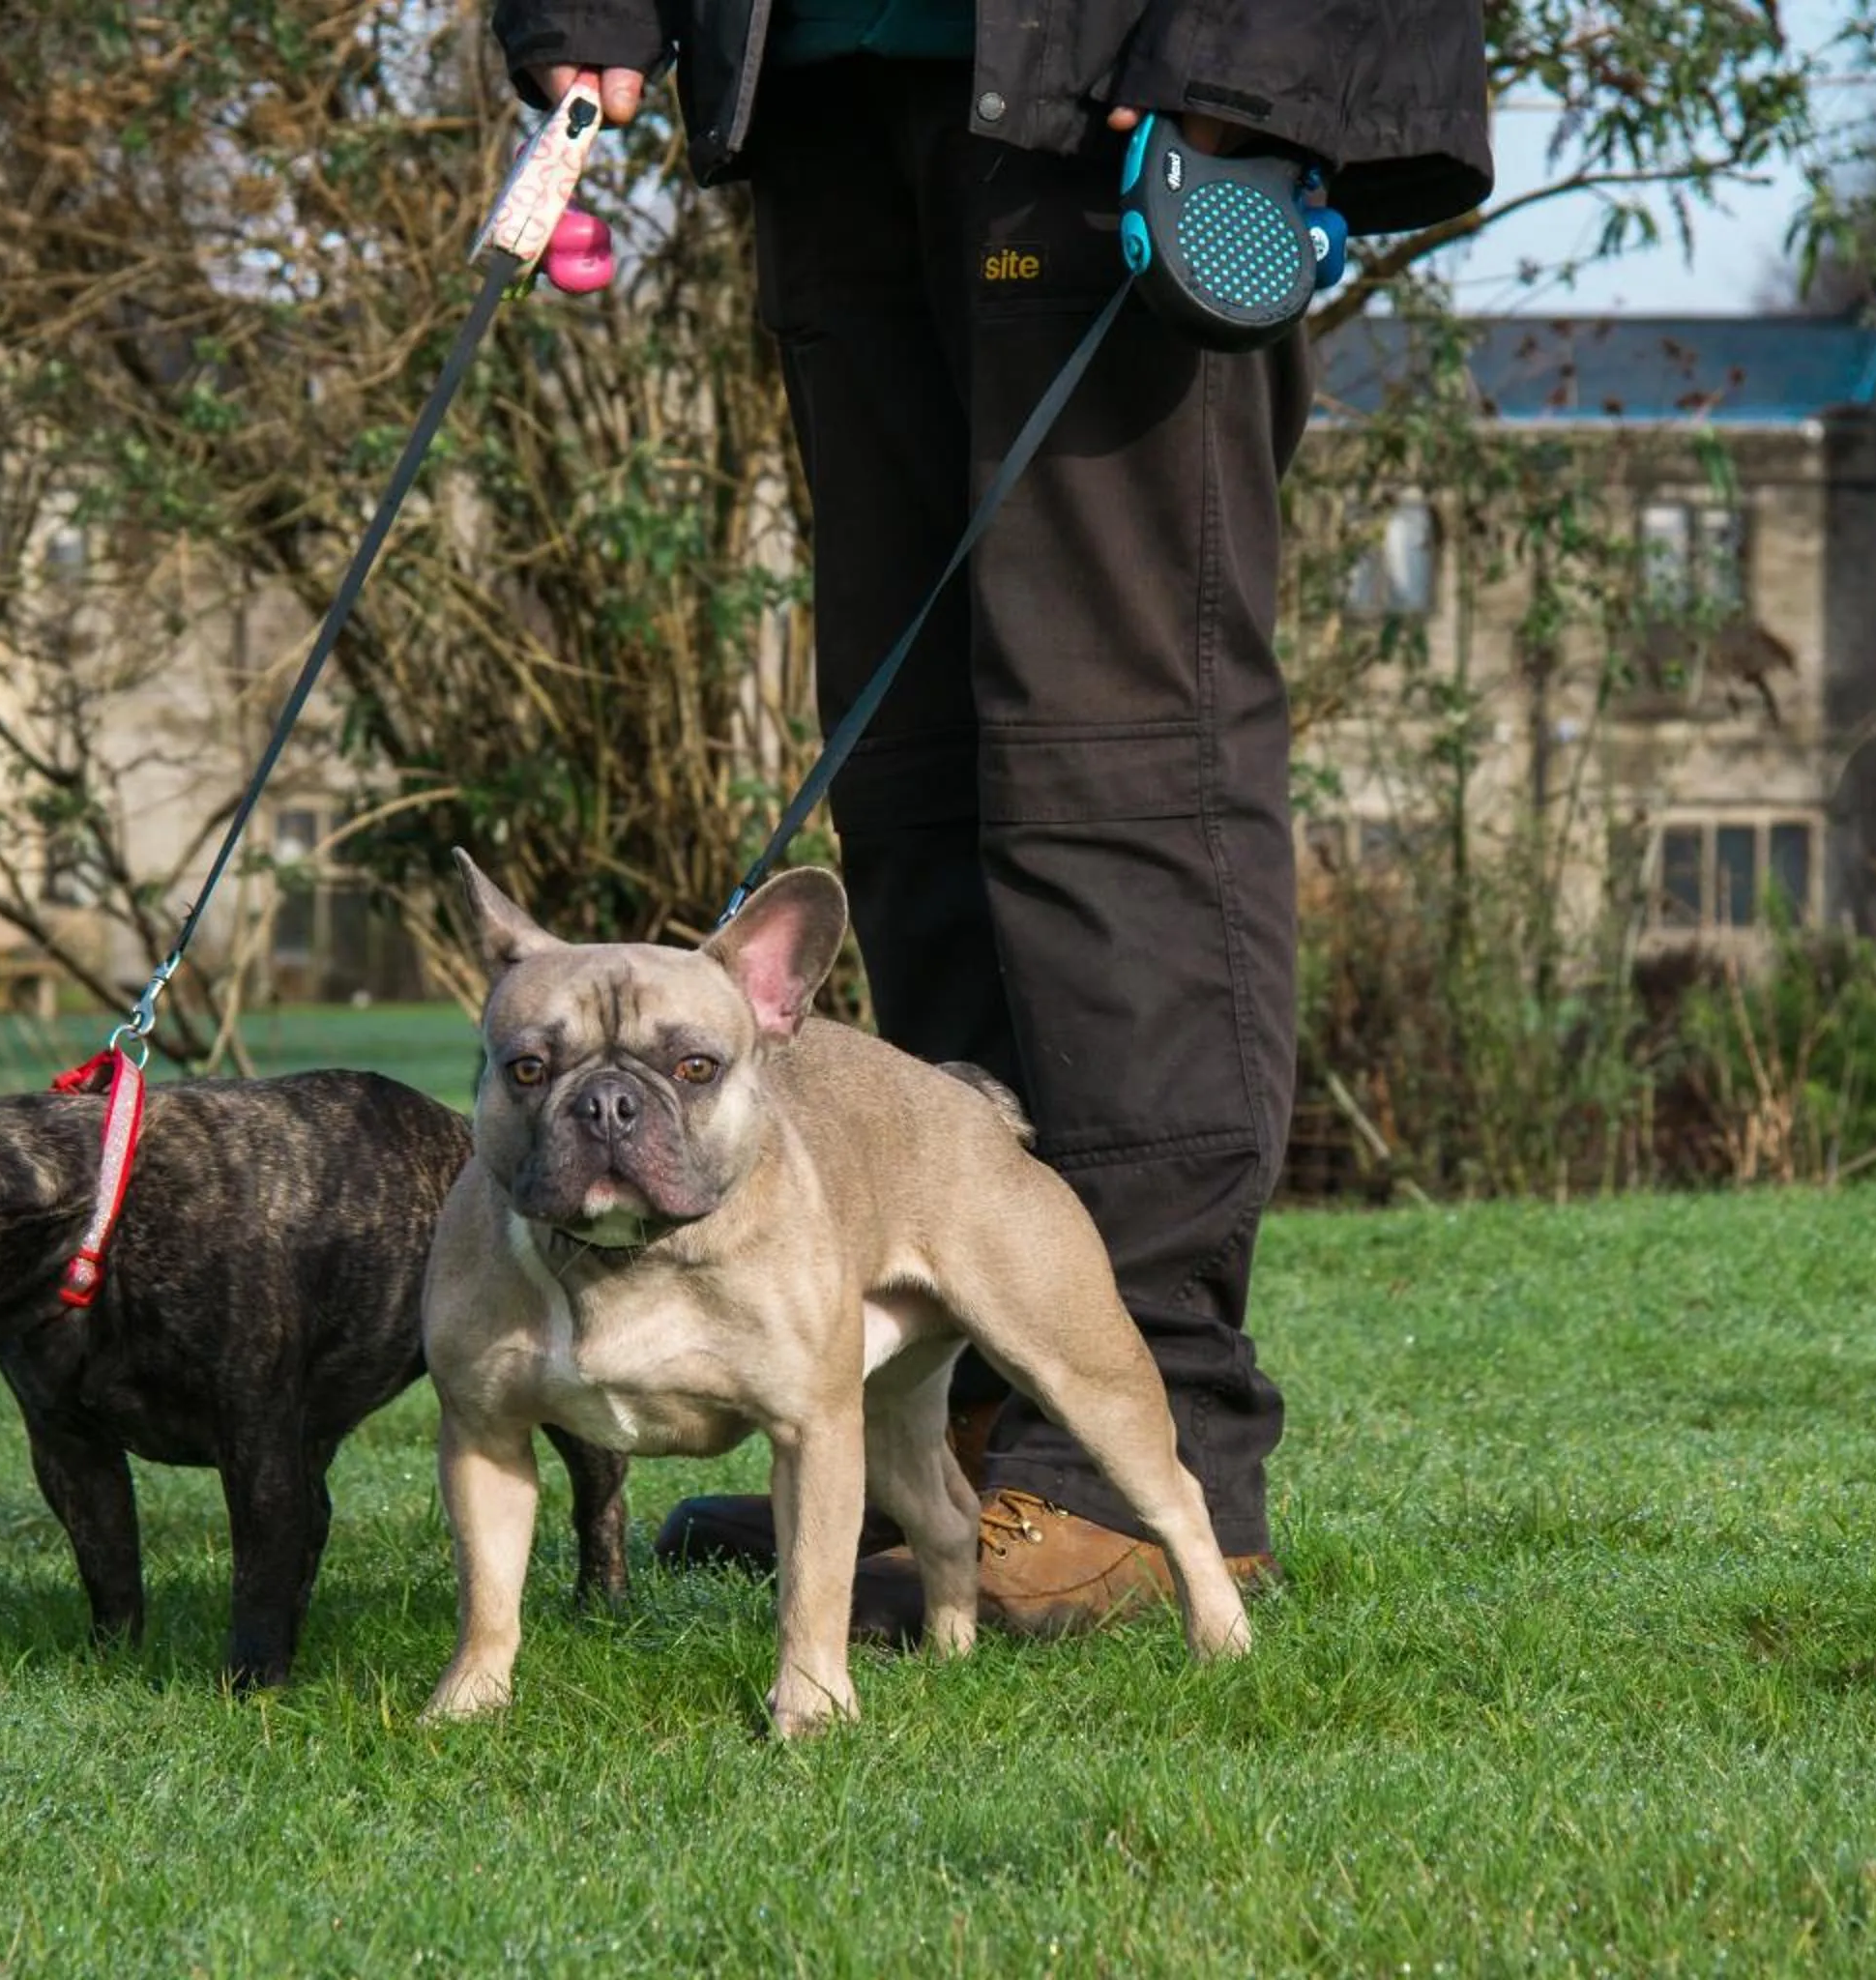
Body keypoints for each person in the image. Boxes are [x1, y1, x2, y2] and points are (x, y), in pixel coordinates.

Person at [486, 0, 1491, 1638]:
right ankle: (942, 1410)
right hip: (826, 83)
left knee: (1113, 765)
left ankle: (1137, 1452)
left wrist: (1243, 72)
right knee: (910, 760)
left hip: (1117, 83)